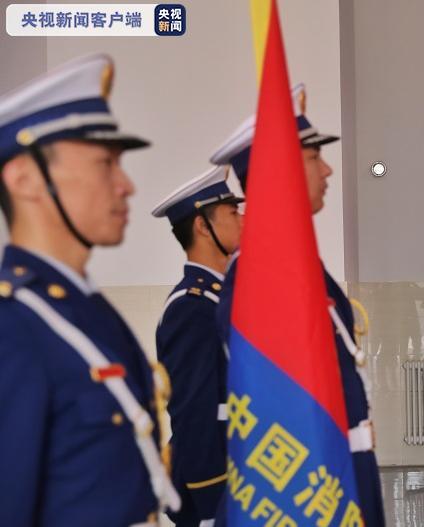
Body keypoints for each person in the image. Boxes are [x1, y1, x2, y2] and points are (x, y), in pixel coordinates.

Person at [0, 54, 179, 525]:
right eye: (105, 163)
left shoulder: (84, 308)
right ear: (24, 179)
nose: (127, 185)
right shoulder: (13, 330)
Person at [210, 88, 385, 526]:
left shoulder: (295, 264)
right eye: (313, 157)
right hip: (312, 489)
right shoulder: (263, 275)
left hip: (342, 468)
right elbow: (280, 413)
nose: (327, 169)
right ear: (279, 170)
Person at [151, 166, 244, 526]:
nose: (243, 220)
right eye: (233, 213)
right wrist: (211, 506)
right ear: (203, 227)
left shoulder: (223, 297)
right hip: (218, 490)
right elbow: (195, 413)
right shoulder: (191, 307)